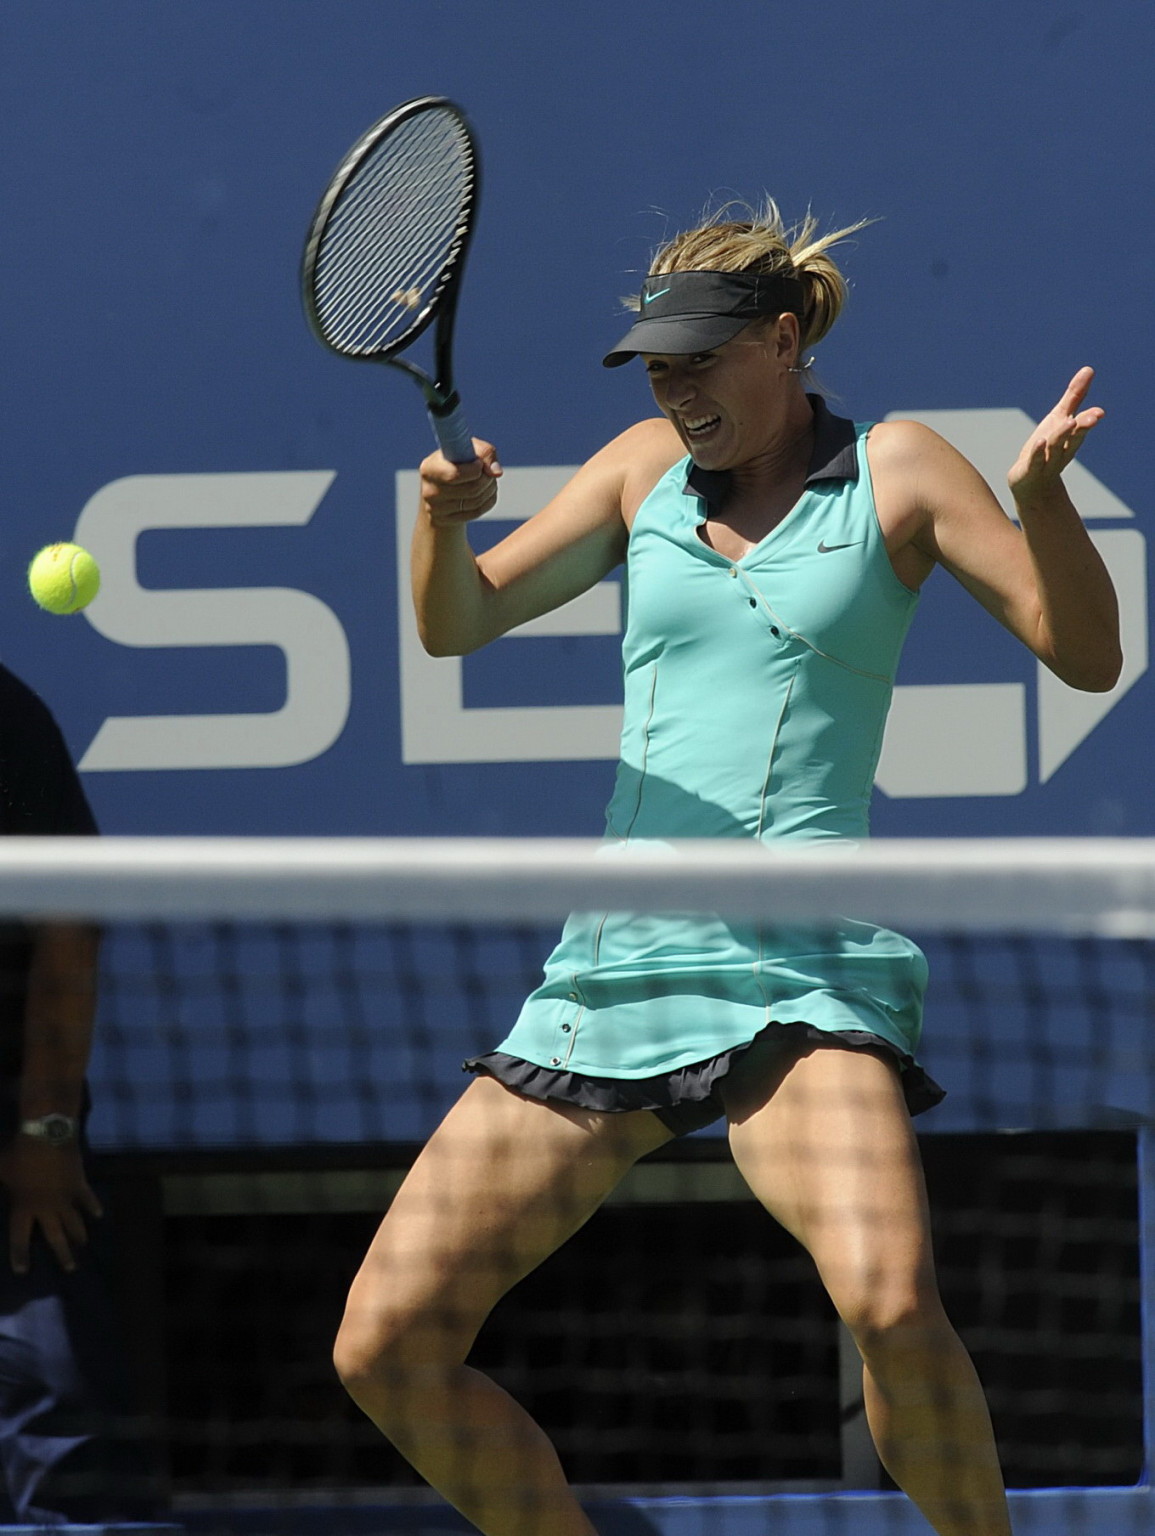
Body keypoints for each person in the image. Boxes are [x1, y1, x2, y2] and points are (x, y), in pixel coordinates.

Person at [333, 203, 1122, 1536]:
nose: (674, 389)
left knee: (885, 1300)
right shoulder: (639, 469)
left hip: (798, 966)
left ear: (779, 340)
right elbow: (456, 621)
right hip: (615, 967)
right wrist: (437, 522)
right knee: (382, 1347)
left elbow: (1084, 654)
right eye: (655, 366)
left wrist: (1041, 506)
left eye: (698, 361)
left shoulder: (900, 470)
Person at [0, 662, 163, 1521]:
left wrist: (45, 1132)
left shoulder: (6, 715)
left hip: (14, 1157)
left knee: (58, 1421)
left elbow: (69, 927)